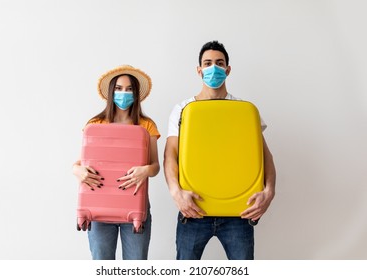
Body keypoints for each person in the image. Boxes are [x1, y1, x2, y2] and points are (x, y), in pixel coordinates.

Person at [163, 41, 276, 260]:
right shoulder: (182, 109)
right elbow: (170, 155)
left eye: (219, 63)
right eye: (207, 63)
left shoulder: (244, 110)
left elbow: (265, 156)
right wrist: (176, 194)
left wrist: (269, 191)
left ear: (228, 69)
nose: (213, 68)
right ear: (199, 70)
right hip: (193, 209)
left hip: (238, 214)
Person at [72, 65, 160, 260]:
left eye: (129, 89)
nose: (124, 93)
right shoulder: (95, 124)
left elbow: (155, 166)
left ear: (136, 94)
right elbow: (81, 162)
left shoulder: (147, 125)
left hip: (135, 207)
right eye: (119, 88)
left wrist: (145, 171)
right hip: (98, 209)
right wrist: (76, 169)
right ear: (111, 92)